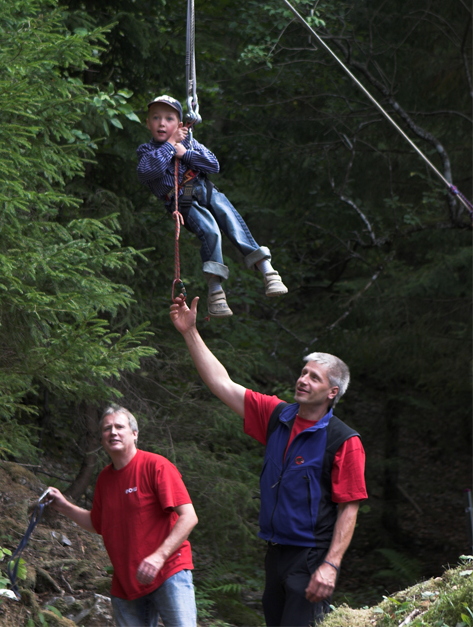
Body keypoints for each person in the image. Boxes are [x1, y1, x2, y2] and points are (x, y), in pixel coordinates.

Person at [170, 295, 367, 627]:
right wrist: (190, 332)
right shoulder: (277, 416)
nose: (303, 380)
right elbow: (221, 384)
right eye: (303, 373)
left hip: (310, 557)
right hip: (274, 553)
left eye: (314, 377)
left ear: (332, 392)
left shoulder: (343, 440)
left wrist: (330, 566)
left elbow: (349, 507)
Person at [46, 405, 198, 627]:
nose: (113, 432)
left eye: (119, 426)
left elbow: (189, 517)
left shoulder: (156, 466)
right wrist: (64, 506)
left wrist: (159, 556)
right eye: (107, 429)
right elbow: (97, 524)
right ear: (101, 440)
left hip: (169, 572)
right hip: (127, 584)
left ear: (134, 434)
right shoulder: (105, 479)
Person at [137, 94, 288, 318]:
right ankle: (216, 290)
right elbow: (147, 172)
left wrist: (185, 153)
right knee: (210, 231)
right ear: (148, 123)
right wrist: (170, 146)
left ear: (179, 124)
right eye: (156, 118)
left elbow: (213, 164)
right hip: (182, 197)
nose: (161, 123)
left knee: (230, 218)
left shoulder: (189, 142)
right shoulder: (146, 151)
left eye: (168, 118)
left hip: (204, 188)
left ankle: (267, 269)